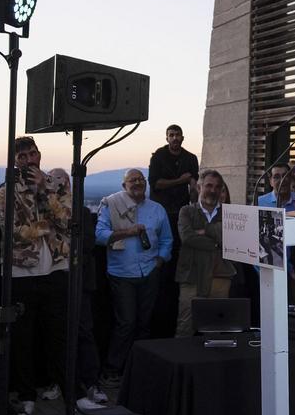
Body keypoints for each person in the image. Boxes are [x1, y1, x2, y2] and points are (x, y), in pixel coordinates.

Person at [0, 136, 72, 414]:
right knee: (23, 337)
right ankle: (27, 395)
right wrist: (47, 226)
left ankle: (69, 391)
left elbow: (67, 219)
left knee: (58, 334)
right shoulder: (6, 191)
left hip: (56, 268)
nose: (29, 160)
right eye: (23, 156)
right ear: (15, 162)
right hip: (21, 271)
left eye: (32, 154)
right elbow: (13, 232)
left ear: (40, 154)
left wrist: (44, 190)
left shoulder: (57, 184)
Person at [95, 169, 173, 387]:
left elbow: (167, 239)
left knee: (144, 324)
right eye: (132, 180)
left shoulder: (157, 209)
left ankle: (139, 369)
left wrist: (160, 261)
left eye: (141, 179)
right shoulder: (111, 205)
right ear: (124, 186)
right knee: (126, 323)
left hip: (149, 272)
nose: (137, 183)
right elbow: (99, 236)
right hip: (122, 274)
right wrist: (127, 232)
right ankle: (112, 370)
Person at [47, 169, 108, 410]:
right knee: (56, 334)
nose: (60, 186)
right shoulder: (46, 211)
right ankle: (58, 381)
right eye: (55, 182)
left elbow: (87, 244)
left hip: (79, 281)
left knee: (84, 332)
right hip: (54, 282)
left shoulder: (80, 212)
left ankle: (91, 382)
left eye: (64, 182)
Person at [147, 124, 198, 339]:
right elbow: (156, 184)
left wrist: (194, 193)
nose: (175, 138)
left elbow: (194, 184)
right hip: (161, 214)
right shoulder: (158, 156)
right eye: (171, 135)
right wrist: (181, 180)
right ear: (167, 138)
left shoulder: (190, 158)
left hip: (182, 215)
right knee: (162, 263)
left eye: (178, 135)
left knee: (178, 259)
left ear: (183, 138)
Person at [174, 170, 235, 337]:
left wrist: (205, 230)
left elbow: (232, 240)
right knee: (185, 325)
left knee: (216, 327)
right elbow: (187, 238)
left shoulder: (231, 214)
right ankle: (183, 354)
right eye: (209, 185)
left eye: (217, 187)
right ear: (199, 187)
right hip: (192, 276)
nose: (213, 190)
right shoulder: (186, 211)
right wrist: (217, 242)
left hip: (220, 275)